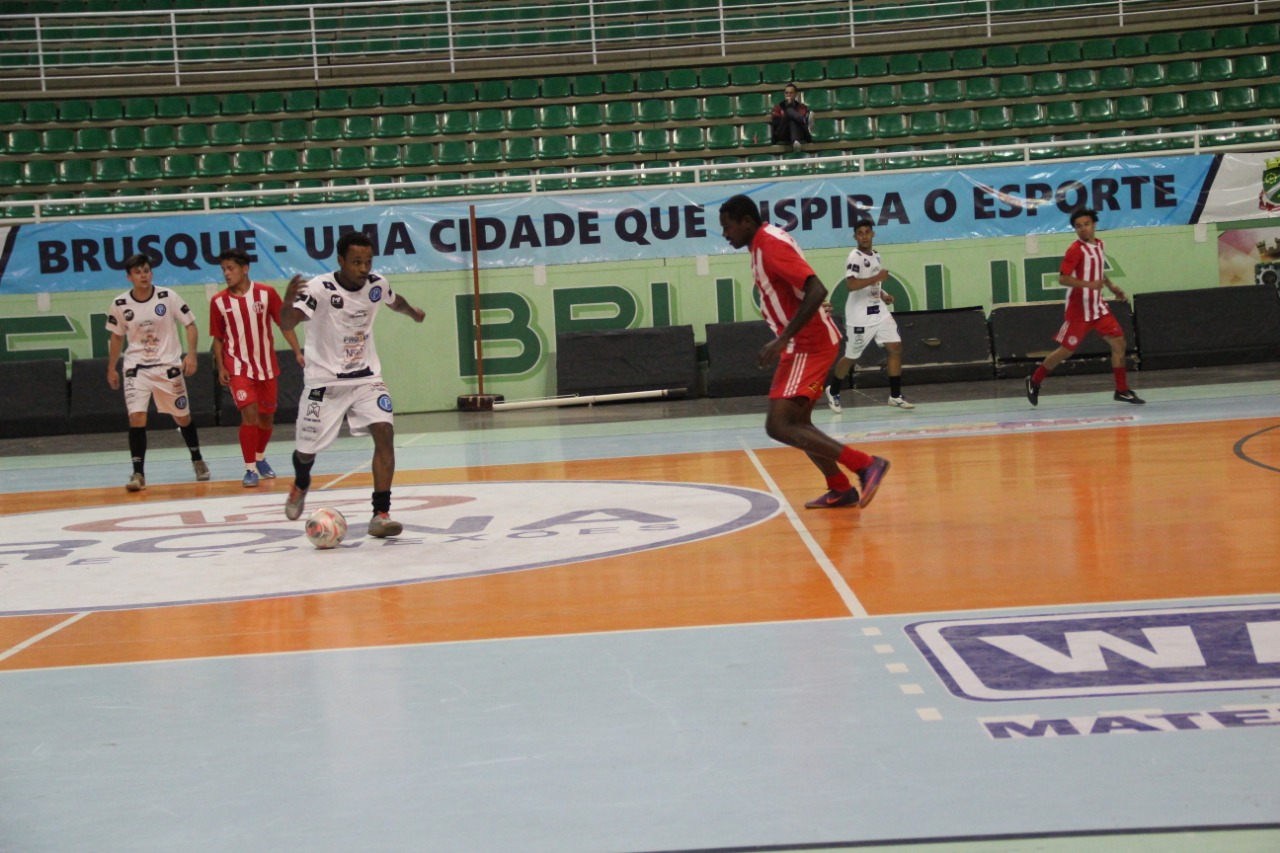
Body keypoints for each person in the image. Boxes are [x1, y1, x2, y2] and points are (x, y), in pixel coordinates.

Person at [719, 194, 890, 510]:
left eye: (728, 227)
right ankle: (840, 488)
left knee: (779, 425)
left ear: (746, 222)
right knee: (799, 425)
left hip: (808, 343)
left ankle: (866, 465)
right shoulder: (761, 243)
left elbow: (817, 289)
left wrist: (783, 337)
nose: (725, 234)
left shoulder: (770, 245)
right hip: (803, 342)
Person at [279, 231, 425, 537]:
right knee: (306, 452)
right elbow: (288, 322)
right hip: (324, 382)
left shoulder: (376, 285)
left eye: (368, 261)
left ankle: (380, 514)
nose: (363, 268)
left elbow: (395, 301)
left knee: (384, 432)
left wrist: (412, 313)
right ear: (341, 261)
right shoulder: (319, 289)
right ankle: (301, 483)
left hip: (366, 378)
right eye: (357, 262)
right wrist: (287, 300)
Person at [105, 253, 210, 491]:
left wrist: (191, 354)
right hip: (136, 369)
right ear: (129, 277)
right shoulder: (120, 304)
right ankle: (138, 474)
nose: (143, 275)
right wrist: (111, 367)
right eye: (138, 272)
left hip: (167, 367)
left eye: (146, 271)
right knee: (136, 417)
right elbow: (116, 337)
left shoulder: (167, 296)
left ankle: (197, 459)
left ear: (151, 273)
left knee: (182, 417)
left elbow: (190, 324)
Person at [1026, 208, 1145, 406]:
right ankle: (1034, 379)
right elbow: (1063, 278)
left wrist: (1111, 286)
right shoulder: (1075, 250)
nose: (1083, 229)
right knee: (1066, 351)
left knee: (1119, 343)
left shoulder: (1099, 245)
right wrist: (1089, 285)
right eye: (1078, 226)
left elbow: (1097, 271)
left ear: (1094, 225)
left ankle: (1122, 390)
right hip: (1079, 310)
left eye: (1086, 224)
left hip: (1098, 308)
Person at [209, 248, 305, 488]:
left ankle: (260, 457)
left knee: (266, 418)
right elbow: (218, 339)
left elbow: (283, 323)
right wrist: (221, 366)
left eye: (230, 268)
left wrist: (297, 351)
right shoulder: (218, 302)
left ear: (245, 268)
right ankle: (250, 468)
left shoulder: (266, 294)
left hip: (266, 366)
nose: (226, 274)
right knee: (249, 413)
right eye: (223, 270)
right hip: (238, 367)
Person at [825, 219, 915, 414]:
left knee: (895, 347)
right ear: (855, 237)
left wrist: (883, 294)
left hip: (878, 310)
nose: (864, 236)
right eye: (860, 233)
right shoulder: (854, 257)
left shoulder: (876, 255)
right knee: (852, 356)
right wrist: (877, 278)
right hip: (859, 315)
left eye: (867, 232)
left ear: (873, 234)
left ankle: (895, 396)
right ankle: (833, 390)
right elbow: (851, 285)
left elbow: (873, 284)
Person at [770, 83, 813, 151]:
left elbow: (801, 127)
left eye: (791, 93)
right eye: (786, 93)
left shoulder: (802, 107)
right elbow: (775, 123)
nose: (788, 95)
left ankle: (796, 143)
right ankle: (804, 120)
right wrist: (787, 113)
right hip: (783, 133)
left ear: (795, 94)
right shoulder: (778, 107)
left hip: (799, 133)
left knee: (793, 120)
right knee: (789, 112)